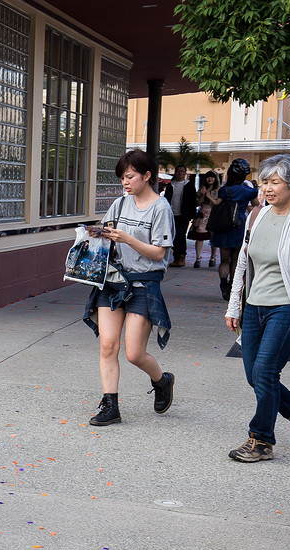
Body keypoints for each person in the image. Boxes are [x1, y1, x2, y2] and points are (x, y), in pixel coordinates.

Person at [224, 153, 290, 462]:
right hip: (253, 305)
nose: (267, 188)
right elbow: (243, 260)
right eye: (264, 181)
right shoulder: (257, 216)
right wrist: (233, 306)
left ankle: (261, 440)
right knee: (255, 376)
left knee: (265, 371)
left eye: (275, 182)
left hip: (287, 309)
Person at [83, 149, 175, 426]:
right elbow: (108, 233)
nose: (125, 182)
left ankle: (162, 380)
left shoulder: (161, 208)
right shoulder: (120, 204)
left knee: (134, 353)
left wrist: (128, 239)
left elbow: (159, 253)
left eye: (130, 176)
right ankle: (110, 405)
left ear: (147, 176)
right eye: (123, 177)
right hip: (113, 282)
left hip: (143, 283)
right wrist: (94, 233)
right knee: (108, 346)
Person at [213, 158, 260, 301]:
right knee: (236, 260)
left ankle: (223, 283)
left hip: (223, 226)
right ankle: (233, 287)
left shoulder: (224, 191)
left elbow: (216, 204)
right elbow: (257, 207)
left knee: (224, 260)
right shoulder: (249, 191)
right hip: (240, 226)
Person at [163, 165, 197, 268]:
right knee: (173, 236)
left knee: (181, 236)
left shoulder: (189, 185)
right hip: (172, 215)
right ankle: (176, 257)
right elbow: (166, 200)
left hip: (183, 216)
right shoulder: (171, 185)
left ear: (185, 173)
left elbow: (193, 201)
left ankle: (181, 257)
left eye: (182, 171)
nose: (180, 173)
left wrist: (192, 215)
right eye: (178, 171)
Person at [188, 170, 221, 267]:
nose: (210, 179)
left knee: (214, 236)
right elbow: (197, 203)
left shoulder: (219, 190)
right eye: (208, 177)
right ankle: (198, 258)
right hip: (202, 214)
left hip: (214, 214)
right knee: (199, 237)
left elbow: (217, 203)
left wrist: (208, 196)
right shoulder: (202, 189)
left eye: (212, 177)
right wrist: (203, 195)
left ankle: (213, 257)